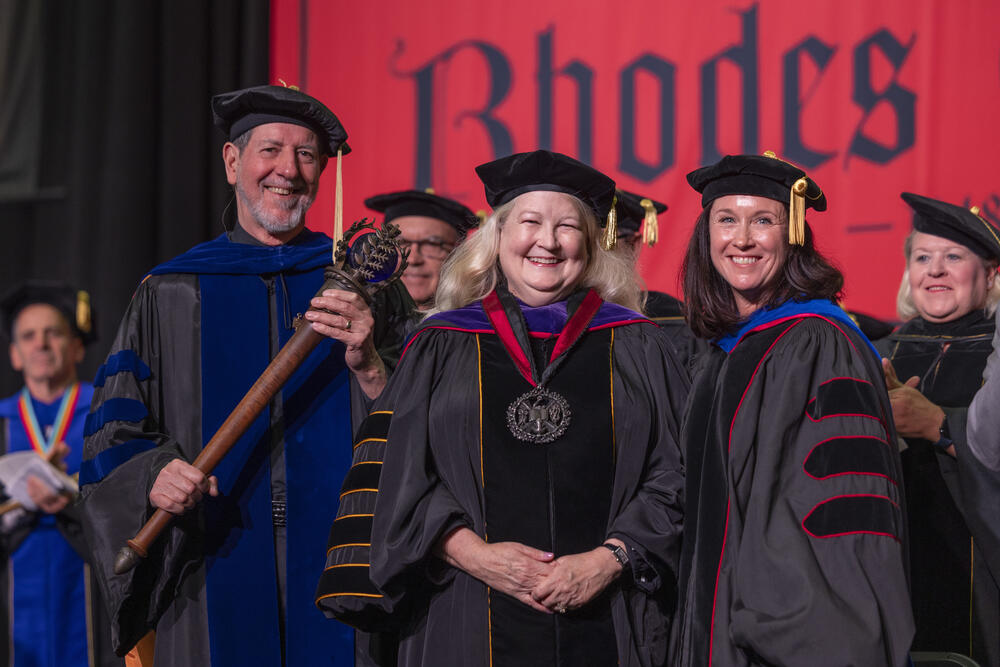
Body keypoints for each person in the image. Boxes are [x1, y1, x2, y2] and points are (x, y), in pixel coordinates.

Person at [77, 84, 412, 667]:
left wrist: (371, 365)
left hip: (345, 560)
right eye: (271, 150)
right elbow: (114, 430)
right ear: (233, 162)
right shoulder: (172, 292)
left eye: (307, 155)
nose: (289, 170)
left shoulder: (369, 291)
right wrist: (154, 474)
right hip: (209, 563)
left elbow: (430, 425)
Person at [316, 149, 689, 666]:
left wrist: (609, 560)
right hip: (465, 610)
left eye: (568, 226)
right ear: (498, 236)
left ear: (590, 243)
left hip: (613, 612)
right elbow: (399, 475)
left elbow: (676, 473)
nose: (548, 241)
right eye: (530, 221)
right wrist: (476, 555)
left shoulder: (639, 345)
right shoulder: (440, 343)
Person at [670, 152, 914, 666]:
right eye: (726, 220)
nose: (741, 239)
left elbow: (840, 509)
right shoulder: (720, 350)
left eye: (763, 221)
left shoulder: (817, 342)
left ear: (794, 233)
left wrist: (770, 629)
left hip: (790, 635)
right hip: (718, 623)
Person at [877, 193, 1000, 666]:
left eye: (953, 257)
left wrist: (940, 427)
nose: (935, 270)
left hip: (979, 563)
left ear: (989, 273)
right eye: (922, 257)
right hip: (894, 558)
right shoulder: (877, 347)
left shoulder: (994, 349)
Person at [0, 282, 119, 666]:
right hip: (16, 571)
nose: (41, 345)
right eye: (29, 337)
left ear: (77, 346)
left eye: (53, 333)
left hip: (90, 577)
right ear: (15, 355)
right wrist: (21, 503)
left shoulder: (107, 413)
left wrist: (72, 495)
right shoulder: (1, 422)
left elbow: (127, 498)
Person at [614, 189, 706, 369]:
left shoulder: (677, 322)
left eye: (604, 241)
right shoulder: (553, 318)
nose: (593, 254)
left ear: (632, 244)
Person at [364, 189, 479, 311]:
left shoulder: (475, 323)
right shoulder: (359, 317)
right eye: (400, 244)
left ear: (458, 255)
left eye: (431, 244)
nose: (413, 259)